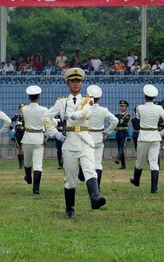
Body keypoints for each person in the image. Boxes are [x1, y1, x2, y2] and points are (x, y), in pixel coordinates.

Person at [43, 68, 106, 218]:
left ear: (82, 83)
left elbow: (86, 113)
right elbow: (45, 117)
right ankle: (69, 209)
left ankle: (95, 198)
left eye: (78, 81)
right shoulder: (61, 102)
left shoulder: (88, 100)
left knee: (90, 170)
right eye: (73, 81)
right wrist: (55, 134)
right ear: (68, 84)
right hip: (69, 141)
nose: (76, 84)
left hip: (84, 139)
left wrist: (71, 115)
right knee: (70, 178)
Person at [130, 85, 164, 194]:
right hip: (155, 136)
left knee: (140, 161)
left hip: (143, 135)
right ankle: (154, 188)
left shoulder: (139, 108)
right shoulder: (159, 108)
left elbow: (138, 118)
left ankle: (136, 180)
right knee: (154, 162)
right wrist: (162, 133)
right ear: (154, 97)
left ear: (145, 97)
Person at [86, 85, 118, 190]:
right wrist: (107, 132)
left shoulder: (84, 109)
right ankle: (97, 186)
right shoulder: (103, 110)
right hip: (99, 137)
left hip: (86, 137)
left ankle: (85, 178)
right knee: (98, 162)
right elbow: (115, 121)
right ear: (99, 98)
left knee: (85, 160)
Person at [18, 86, 48, 195]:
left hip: (28, 137)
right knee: (38, 164)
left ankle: (28, 177)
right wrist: (47, 134)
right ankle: (36, 188)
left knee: (27, 161)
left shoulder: (24, 109)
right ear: (38, 97)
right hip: (39, 137)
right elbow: (51, 122)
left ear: (29, 97)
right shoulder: (44, 110)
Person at [114, 100, 130, 169]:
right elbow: (115, 122)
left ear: (126, 107)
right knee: (119, 148)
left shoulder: (127, 115)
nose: (122, 108)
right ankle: (123, 165)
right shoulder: (117, 115)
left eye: (123, 106)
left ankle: (117, 159)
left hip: (124, 132)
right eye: (121, 106)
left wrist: (119, 121)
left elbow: (124, 122)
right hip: (118, 132)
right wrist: (119, 121)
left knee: (121, 147)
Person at [11, 104, 26, 169]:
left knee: (24, 148)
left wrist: (24, 127)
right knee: (19, 148)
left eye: (23, 108)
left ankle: (25, 162)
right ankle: (20, 164)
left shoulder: (26, 116)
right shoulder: (16, 116)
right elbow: (9, 122)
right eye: (21, 108)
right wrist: (12, 129)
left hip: (24, 133)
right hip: (18, 133)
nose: (22, 109)